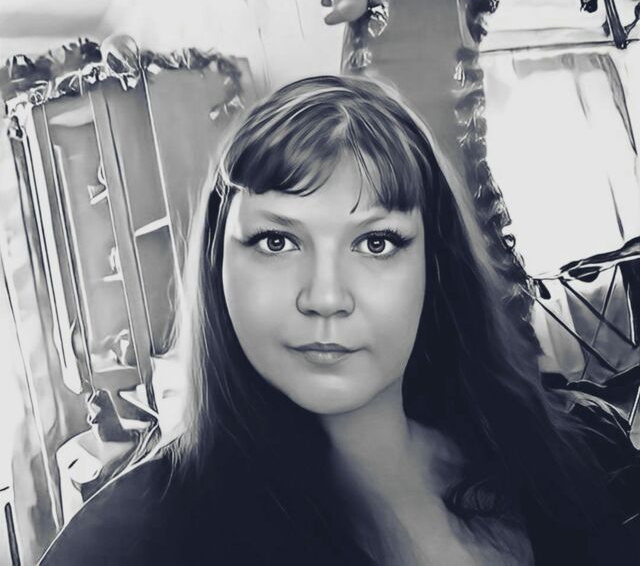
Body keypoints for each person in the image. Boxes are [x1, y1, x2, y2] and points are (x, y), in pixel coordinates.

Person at [39, 75, 639, 565]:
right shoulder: (130, 544)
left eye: (376, 243)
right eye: (276, 241)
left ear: (434, 267)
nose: (325, 297)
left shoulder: (574, 448)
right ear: (218, 263)